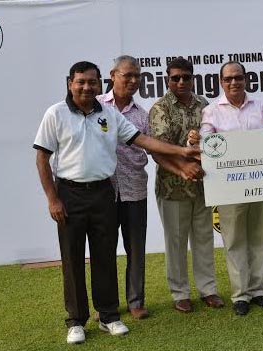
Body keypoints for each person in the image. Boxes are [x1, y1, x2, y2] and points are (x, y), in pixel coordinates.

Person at [34, 61, 202, 344]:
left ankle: (109, 315)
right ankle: (76, 320)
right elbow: (42, 158)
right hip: (69, 194)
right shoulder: (56, 113)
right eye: (80, 82)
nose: (86, 87)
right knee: (72, 258)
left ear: (100, 83)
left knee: (104, 256)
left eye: (91, 82)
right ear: (70, 84)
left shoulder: (109, 114)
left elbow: (145, 141)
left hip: (103, 192)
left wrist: (182, 151)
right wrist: (53, 199)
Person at [191, 61, 263, 316]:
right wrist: (197, 139)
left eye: (238, 78)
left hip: (260, 184)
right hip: (229, 188)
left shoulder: (262, 107)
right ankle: (240, 295)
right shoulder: (211, 112)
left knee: (259, 238)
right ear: (221, 82)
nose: (234, 82)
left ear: (245, 79)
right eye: (229, 78)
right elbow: (207, 141)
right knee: (233, 241)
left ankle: (258, 291)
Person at [149, 57, 224, 313]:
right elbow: (157, 151)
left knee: (204, 239)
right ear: (167, 79)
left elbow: (214, 142)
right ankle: (180, 292)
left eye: (186, 77)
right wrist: (183, 169)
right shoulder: (160, 108)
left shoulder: (204, 104)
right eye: (175, 78)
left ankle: (208, 290)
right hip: (173, 187)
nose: (181, 82)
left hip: (204, 185)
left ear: (193, 78)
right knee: (176, 241)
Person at [96, 55, 150, 320]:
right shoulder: (95, 107)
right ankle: (106, 304)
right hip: (101, 192)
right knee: (103, 249)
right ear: (112, 75)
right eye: (127, 75)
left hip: (134, 190)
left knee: (136, 249)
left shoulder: (142, 114)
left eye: (137, 76)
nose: (132, 80)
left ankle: (136, 301)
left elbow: (153, 150)